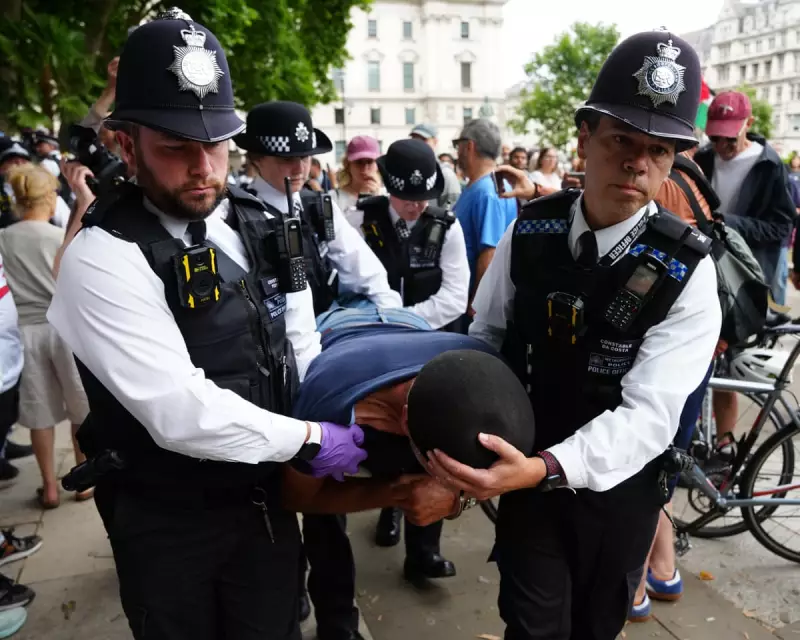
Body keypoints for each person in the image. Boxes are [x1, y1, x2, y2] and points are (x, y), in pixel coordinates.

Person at [46, 12, 376, 639]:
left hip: (264, 502)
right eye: (176, 147)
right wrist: (311, 438)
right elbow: (181, 412)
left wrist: (330, 411)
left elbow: (297, 332)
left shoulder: (259, 220)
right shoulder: (101, 258)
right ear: (125, 144)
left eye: (217, 143)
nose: (203, 167)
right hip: (169, 523)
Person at [425, 31, 721, 640]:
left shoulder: (688, 271)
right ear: (585, 136)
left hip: (620, 493)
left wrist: (541, 468)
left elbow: (650, 416)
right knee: (531, 628)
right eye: (622, 141)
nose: (639, 163)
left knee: (594, 627)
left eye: (660, 150)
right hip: (525, 481)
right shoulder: (529, 232)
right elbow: (488, 338)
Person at [294, 307, 523, 640]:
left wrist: (455, 496)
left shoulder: (488, 373)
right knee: (325, 522)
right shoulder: (324, 404)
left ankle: (421, 555)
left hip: (409, 327)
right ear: (402, 422)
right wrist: (395, 493)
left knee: (444, 454)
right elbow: (297, 497)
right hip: (340, 334)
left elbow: (513, 474)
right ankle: (336, 620)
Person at [234, 101, 402, 316]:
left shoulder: (318, 205)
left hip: (326, 324)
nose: (299, 169)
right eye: (286, 159)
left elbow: (365, 270)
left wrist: (393, 318)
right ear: (256, 159)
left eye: (304, 156)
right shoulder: (237, 216)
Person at [0, 164, 91, 509]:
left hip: (24, 332)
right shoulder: (58, 238)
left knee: (39, 413)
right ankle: (84, 476)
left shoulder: (3, 238)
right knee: (80, 406)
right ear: (50, 199)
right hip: (63, 329)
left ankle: (49, 486)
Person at [347, 138, 469, 330]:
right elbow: (349, 284)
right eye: (406, 199)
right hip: (375, 330)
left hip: (432, 333)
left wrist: (405, 319)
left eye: (422, 199)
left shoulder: (447, 228)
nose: (414, 206)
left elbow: (455, 295)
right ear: (389, 188)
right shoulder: (361, 220)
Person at [694, 91, 795, 306]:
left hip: (744, 274)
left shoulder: (770, 166)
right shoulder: (703, 158)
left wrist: (728, 223)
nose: (721, 146)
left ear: (749, 124)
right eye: (714, 137)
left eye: (730, 138)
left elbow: (781, 227)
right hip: (703, 263)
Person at [452, 118, 517, 326]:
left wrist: (477, 303)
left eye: (457, 146)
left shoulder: (487, 191)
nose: (456, 153)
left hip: (472, 306)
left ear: (468, 146)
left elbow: (490, 250)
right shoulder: (491, 185)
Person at [0, 139, 70, 228]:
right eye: (12, 161)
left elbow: (68, 230)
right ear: (1, 168)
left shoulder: (49, 195)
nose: (19, 164)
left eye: (24, 161)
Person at [409, 124, 461, 209]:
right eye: (414, 139)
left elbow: (452, 213)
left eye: (423, 139)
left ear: (435, 142)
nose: (418, 143)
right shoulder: (406, 171)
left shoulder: (445, 175)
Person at [331, 136, 384, 213]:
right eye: (359, 162)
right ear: (348, 165)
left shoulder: (388, 197)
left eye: (370, 162)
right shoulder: (334, 198)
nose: (365, 168)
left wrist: (377, 198)